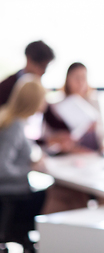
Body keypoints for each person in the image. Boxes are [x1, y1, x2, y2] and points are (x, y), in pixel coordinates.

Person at [0, 75, 47, 252]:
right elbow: (2, 168)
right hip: (12, 194)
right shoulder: (15, 126)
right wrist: (30, 168)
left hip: (9, 193)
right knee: (54, 196)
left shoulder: (8, 117)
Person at [42, 62, 104, 154]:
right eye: (76, 78)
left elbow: (102, 137)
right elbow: (46, 138)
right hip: (65, 156)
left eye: (83, 78)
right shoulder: (55, 106)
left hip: (91, 156)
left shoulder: (94, 103)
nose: (80, 83)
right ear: (67, 80)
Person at [0, 40, 54, 107]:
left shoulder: (39, 89)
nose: (43, 72)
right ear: (29, 59)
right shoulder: (6, 86)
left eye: (45, 68)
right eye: (41, 66)